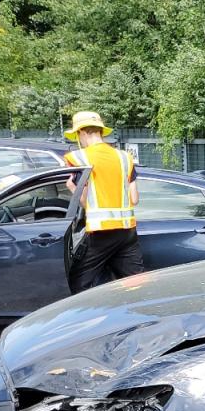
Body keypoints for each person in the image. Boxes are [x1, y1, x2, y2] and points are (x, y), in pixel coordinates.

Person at [61, 110, 142, 291]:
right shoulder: (124, 158)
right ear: (100, 131)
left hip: (100, 232)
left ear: (81, 133)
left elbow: (83, 202)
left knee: (78, 283)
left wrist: (72, 188)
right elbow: (134, 199)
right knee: (135, 284)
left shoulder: (78, 158)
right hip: (127, 231)